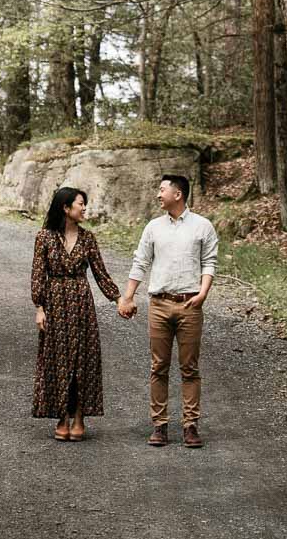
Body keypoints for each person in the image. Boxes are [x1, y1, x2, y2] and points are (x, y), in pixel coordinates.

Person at [117, 173, 218, 448]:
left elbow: (209, 262)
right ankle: (159, 425)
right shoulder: (153, 227)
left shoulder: (203, 226)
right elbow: (140, 262)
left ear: (178, 194)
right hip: (159, 305)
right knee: (159, 366)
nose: (158, 194)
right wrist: (127, 297)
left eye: (162, 190)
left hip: (190, 304)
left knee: (190, 368)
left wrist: (203, 293)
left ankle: (190, 426)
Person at [30, 185, 126, 441]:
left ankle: (80, 416)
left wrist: (118, 299)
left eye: (85, 204)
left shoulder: (88, 238)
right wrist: (39, 308)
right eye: (80, 204)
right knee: (57, 361)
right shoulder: (45, 237)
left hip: (82, 304)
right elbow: (38, 273)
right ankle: (61, 416)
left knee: (83, 361)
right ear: (65, 207)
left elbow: (100, 273)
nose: (84, 208)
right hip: (55, 303)